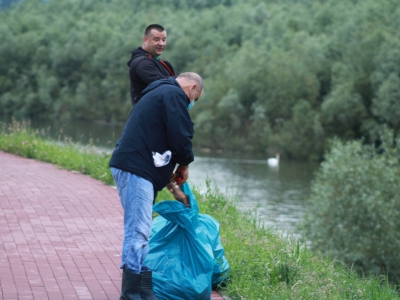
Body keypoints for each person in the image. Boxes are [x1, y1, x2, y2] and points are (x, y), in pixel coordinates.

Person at [109, 72, 203, 300]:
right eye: (195, 99)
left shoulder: (161, 93)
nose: (191, 104)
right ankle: (130, 292)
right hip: (134, 168)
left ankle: (142, 288)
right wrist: (185, 164)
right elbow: (180, 135)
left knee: (142, 228)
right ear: (192, 89)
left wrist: (175, 190)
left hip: (135, 166)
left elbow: (160, 151)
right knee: (138, 229)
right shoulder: (173, 95)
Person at [127, 24, 176, 106]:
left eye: (164, 40)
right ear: (145, 40)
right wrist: (186, 79)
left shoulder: (163, 63)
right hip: (148, 116)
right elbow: (162, 83)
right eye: (156, 39)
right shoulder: (142, 63)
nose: (161, 44)